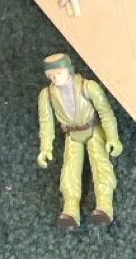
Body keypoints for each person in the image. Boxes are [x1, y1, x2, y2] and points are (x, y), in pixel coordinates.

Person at [36, 53, 123, 228]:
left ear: (68, 70)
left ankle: (105, 205)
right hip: (71, 135)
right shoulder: (47, 95)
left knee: (100, 164)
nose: (55, 78)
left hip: (93, 130)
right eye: (51, 75)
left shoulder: (88, 87)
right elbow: (46, 123)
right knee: (69, 169)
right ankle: (70, 208)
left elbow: (105, 112)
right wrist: (45, 148)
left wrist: (112, 137)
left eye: (58, 73)